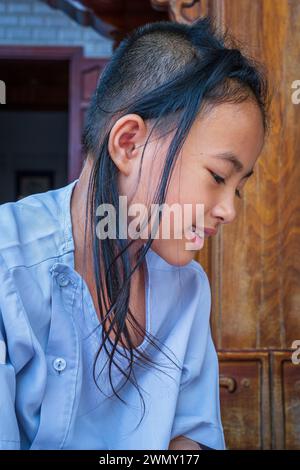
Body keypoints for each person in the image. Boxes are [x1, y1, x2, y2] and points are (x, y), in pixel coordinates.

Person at [0, 16, 269, 450]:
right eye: (218, 176)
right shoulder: (7, 263)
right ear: (129, 144)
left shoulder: (189, 290)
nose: (229, 210)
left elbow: (191, 440)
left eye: (240, 187)